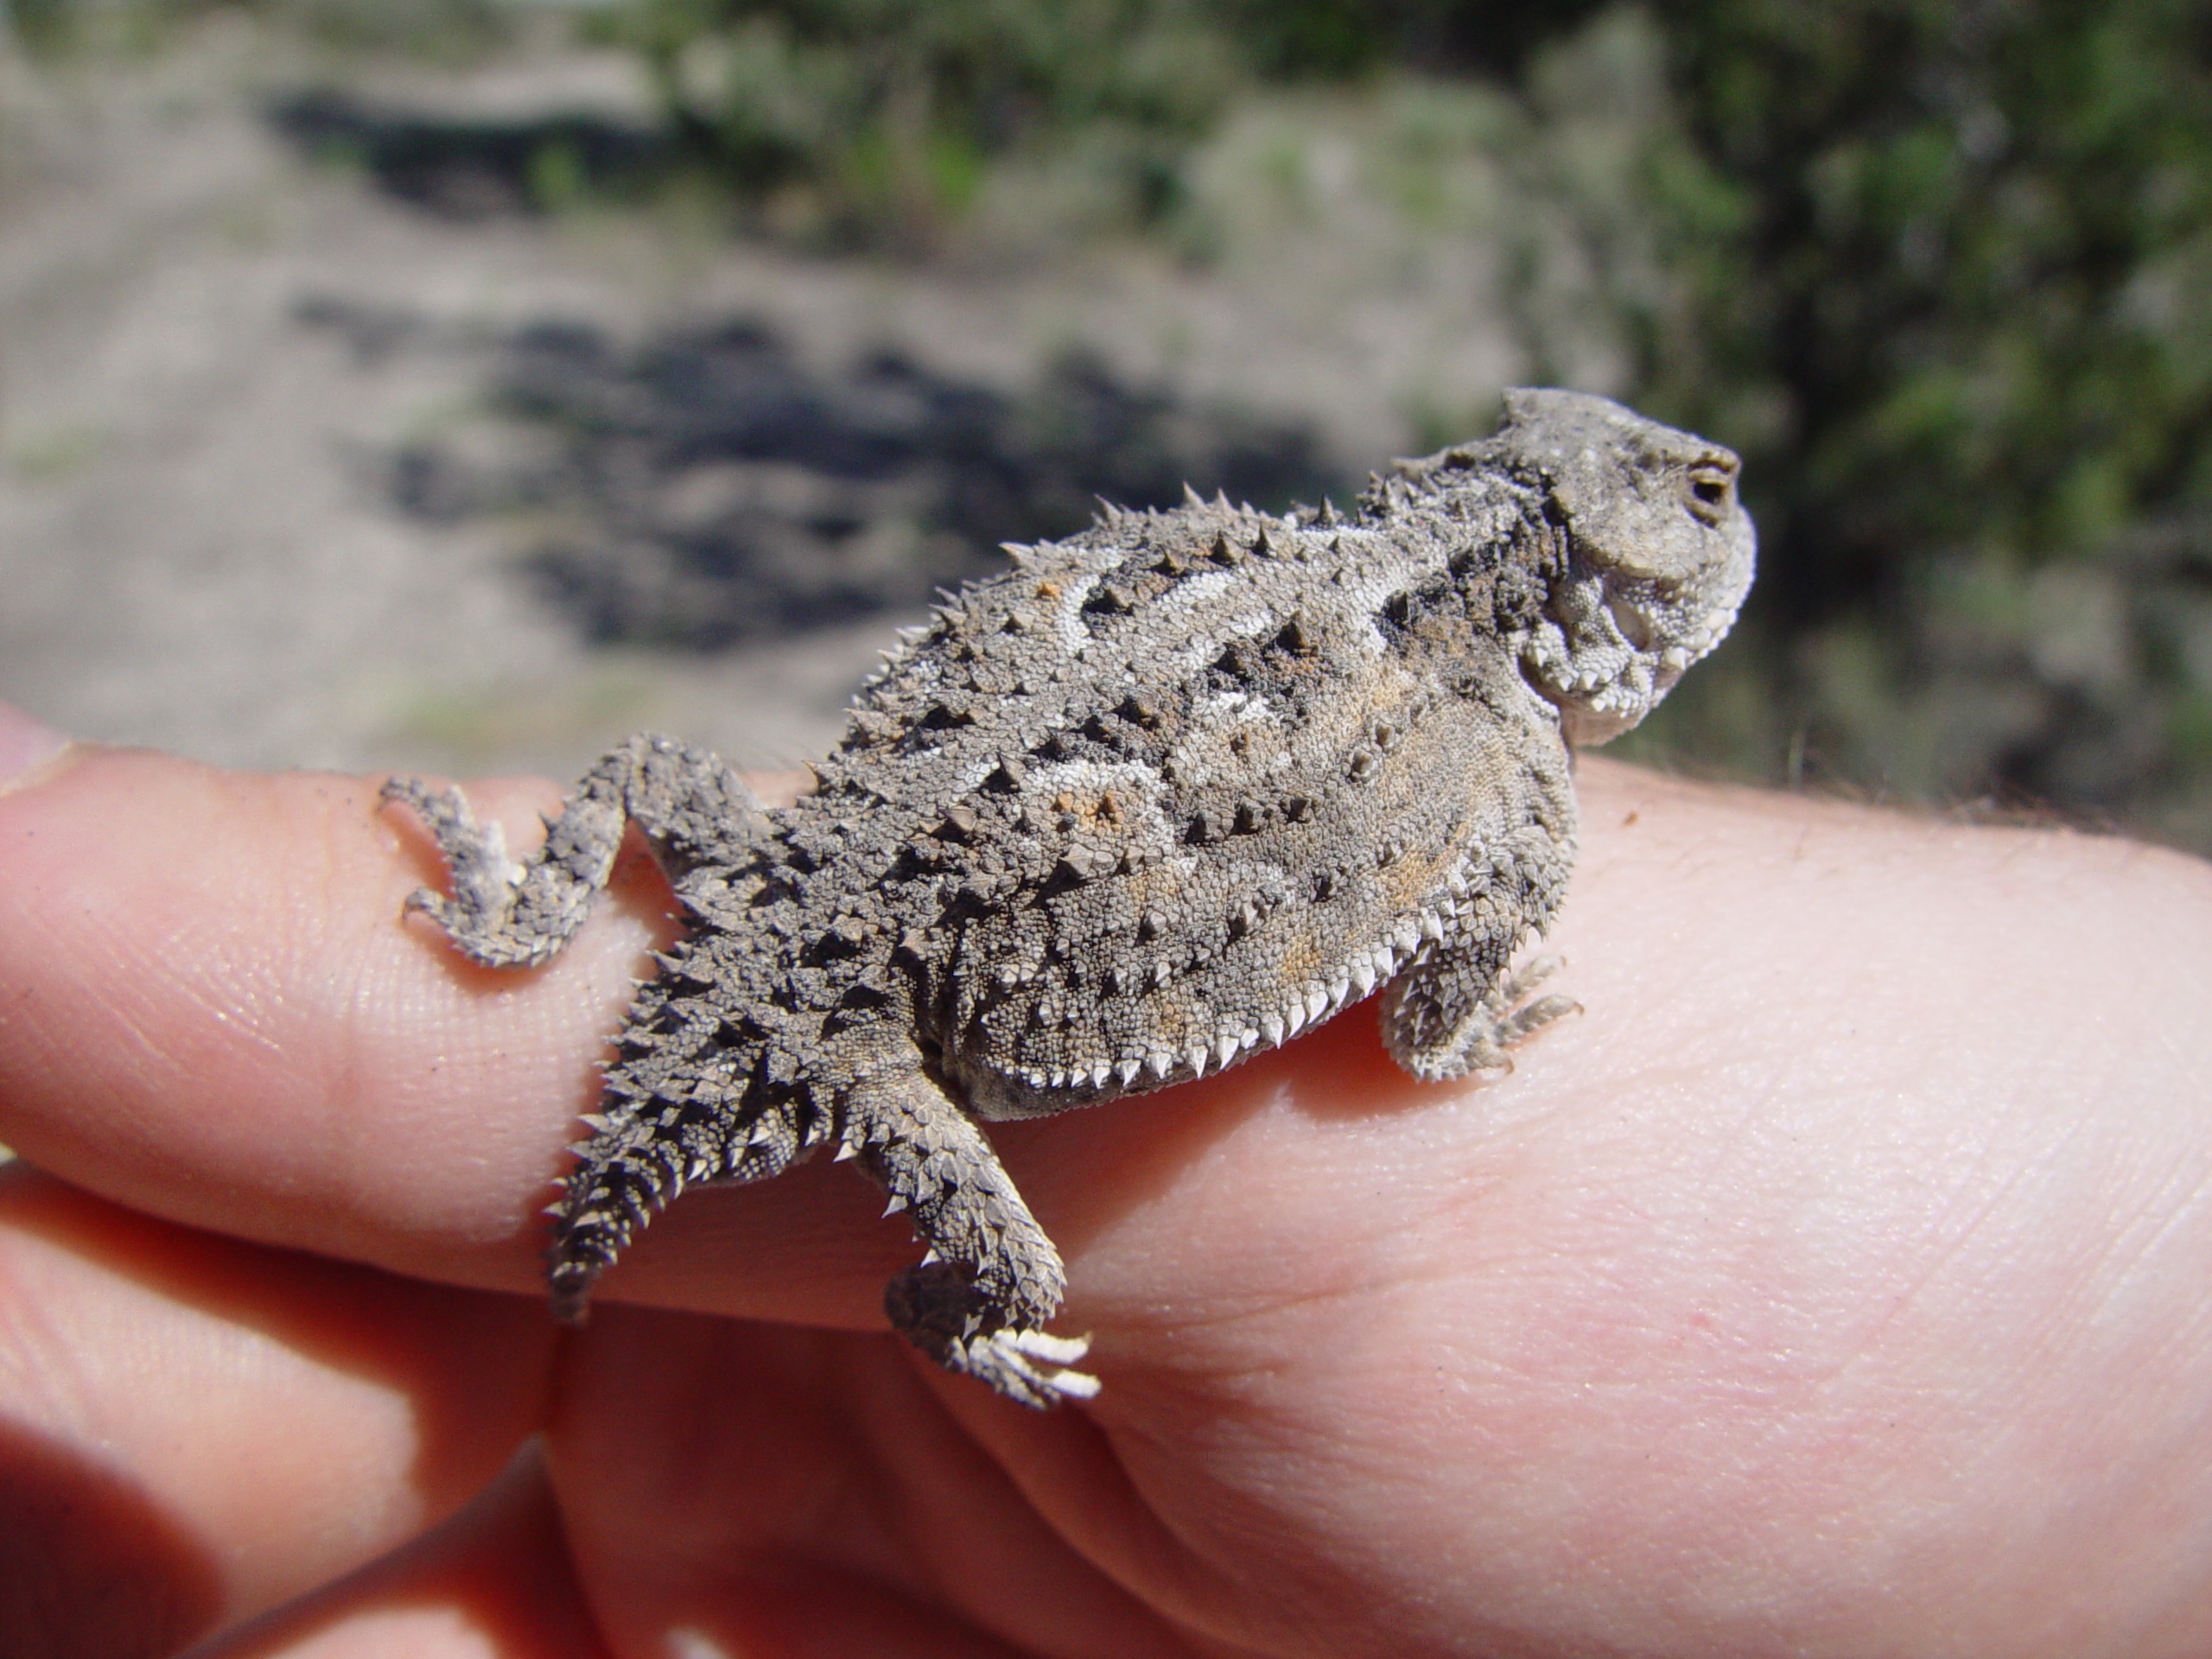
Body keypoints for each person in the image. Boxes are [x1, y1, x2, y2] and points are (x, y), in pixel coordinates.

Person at [3, 694, 2210, 1659]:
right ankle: (895, 1266)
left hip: (798, 933)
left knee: (655, 795)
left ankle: (521, 929)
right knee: (969, 1260)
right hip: (853, 1041)